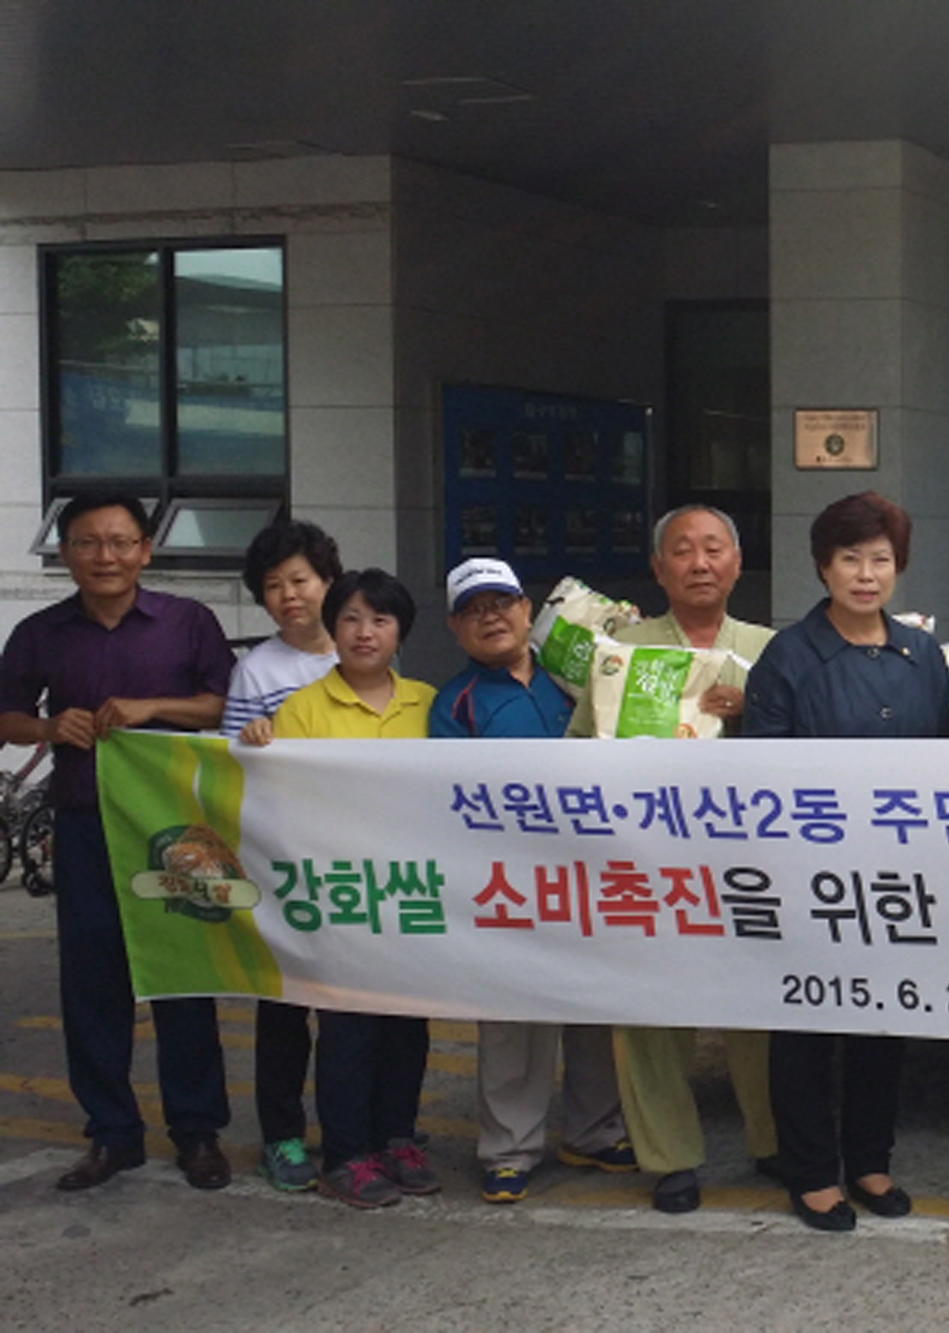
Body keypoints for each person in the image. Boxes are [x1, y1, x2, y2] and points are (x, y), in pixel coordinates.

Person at [0, 492, 235, 1192]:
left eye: (120, 541)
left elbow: (221, 703)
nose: (105, 556)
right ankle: (111, 1133)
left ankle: (197, 1131)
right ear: (65, 552)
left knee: (182, 977)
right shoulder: (41, 632)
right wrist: (48, 728)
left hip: (177, 830)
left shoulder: (187, 622)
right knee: (93, 985)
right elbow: (5, 715)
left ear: (145, 550)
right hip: (85, 827)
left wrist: (152, 707)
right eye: (88, 542)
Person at [744, 491, 949, 1231]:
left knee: (882, 1020)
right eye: (850, 559)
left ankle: (869, 1159)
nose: (866, 575)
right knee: (805, 1019)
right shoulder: (788, 656)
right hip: (812, 871)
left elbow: (945, 764)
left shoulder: (923, 655)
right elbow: (763, 771)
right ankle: (810, 1170)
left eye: (881, 560)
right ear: (822, 566)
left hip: (898, 872)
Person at [569, 504, 780, 1215]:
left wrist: (751, 710)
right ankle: (669, 1157)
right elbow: (579, 748)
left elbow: (804, 748)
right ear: (659, 569)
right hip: (648, 859)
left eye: (714, 548)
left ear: (737, 563)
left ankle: (773, 1140)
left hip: (744, 858)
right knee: (652, 1012)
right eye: (682, 551)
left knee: (761, 1005)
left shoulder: (770, 648)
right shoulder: (620, 650)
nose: (699, 563)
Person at [430, 557, 633, 1205]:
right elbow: (447, 802)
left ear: (527, 610)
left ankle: (595, 1132)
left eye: (501, 603)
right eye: (473, 610)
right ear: (455, 627)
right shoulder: (454, 703)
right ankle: (508, 1150)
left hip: (588, 875)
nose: (490, 617)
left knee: (593, 1009)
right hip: (507, 883)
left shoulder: (575, 678)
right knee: (513, 1021)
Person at [247, 568, 439, 1209]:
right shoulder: (303, 709)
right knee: (349, 1028)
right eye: (351, 619)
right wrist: (257, 743)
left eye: (380, 620)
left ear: (401, 632)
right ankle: (348, 1153)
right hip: (341, 895)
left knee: (406, 1026)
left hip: (410, 893)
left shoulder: (428, 703)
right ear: (333, 628)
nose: (365, 632)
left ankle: (397, 1138)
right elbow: (281, 799)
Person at [222, 519, 342, 1194]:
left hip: (353, 860)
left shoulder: (357, 650)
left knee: (359, 1005)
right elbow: (230, 765)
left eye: (300, 580)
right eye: (273, 586)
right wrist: (251, 741)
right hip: (285, 861)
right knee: (284, 1008)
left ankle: (359, 1126)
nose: (289, 595)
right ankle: (282, 1135)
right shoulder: (255, 670)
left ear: (329, 580)